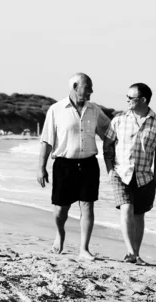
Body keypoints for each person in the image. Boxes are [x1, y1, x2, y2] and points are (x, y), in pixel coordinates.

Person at [37, 73, 110, 260]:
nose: (92, 91)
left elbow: (109, 133)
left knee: (87, 206)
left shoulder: (94, 110)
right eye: (88, 87)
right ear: (75, 86)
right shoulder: (56, 109)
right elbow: (46, 141)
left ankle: (84, 249)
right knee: (61, 210)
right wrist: (41, 167)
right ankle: (60, 232)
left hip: (89, 164)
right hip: (64, 164)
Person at [103, 83, 156, 265]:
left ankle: (135, 254)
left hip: (145, 176)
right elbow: (107, 147)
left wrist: (155, 178)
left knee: (139, 215)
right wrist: (109, 171)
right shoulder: (119, 120)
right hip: (120, 173)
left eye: (131, 98)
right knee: (126, 208)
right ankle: (131, 253)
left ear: (143, 100)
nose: (127, 101)